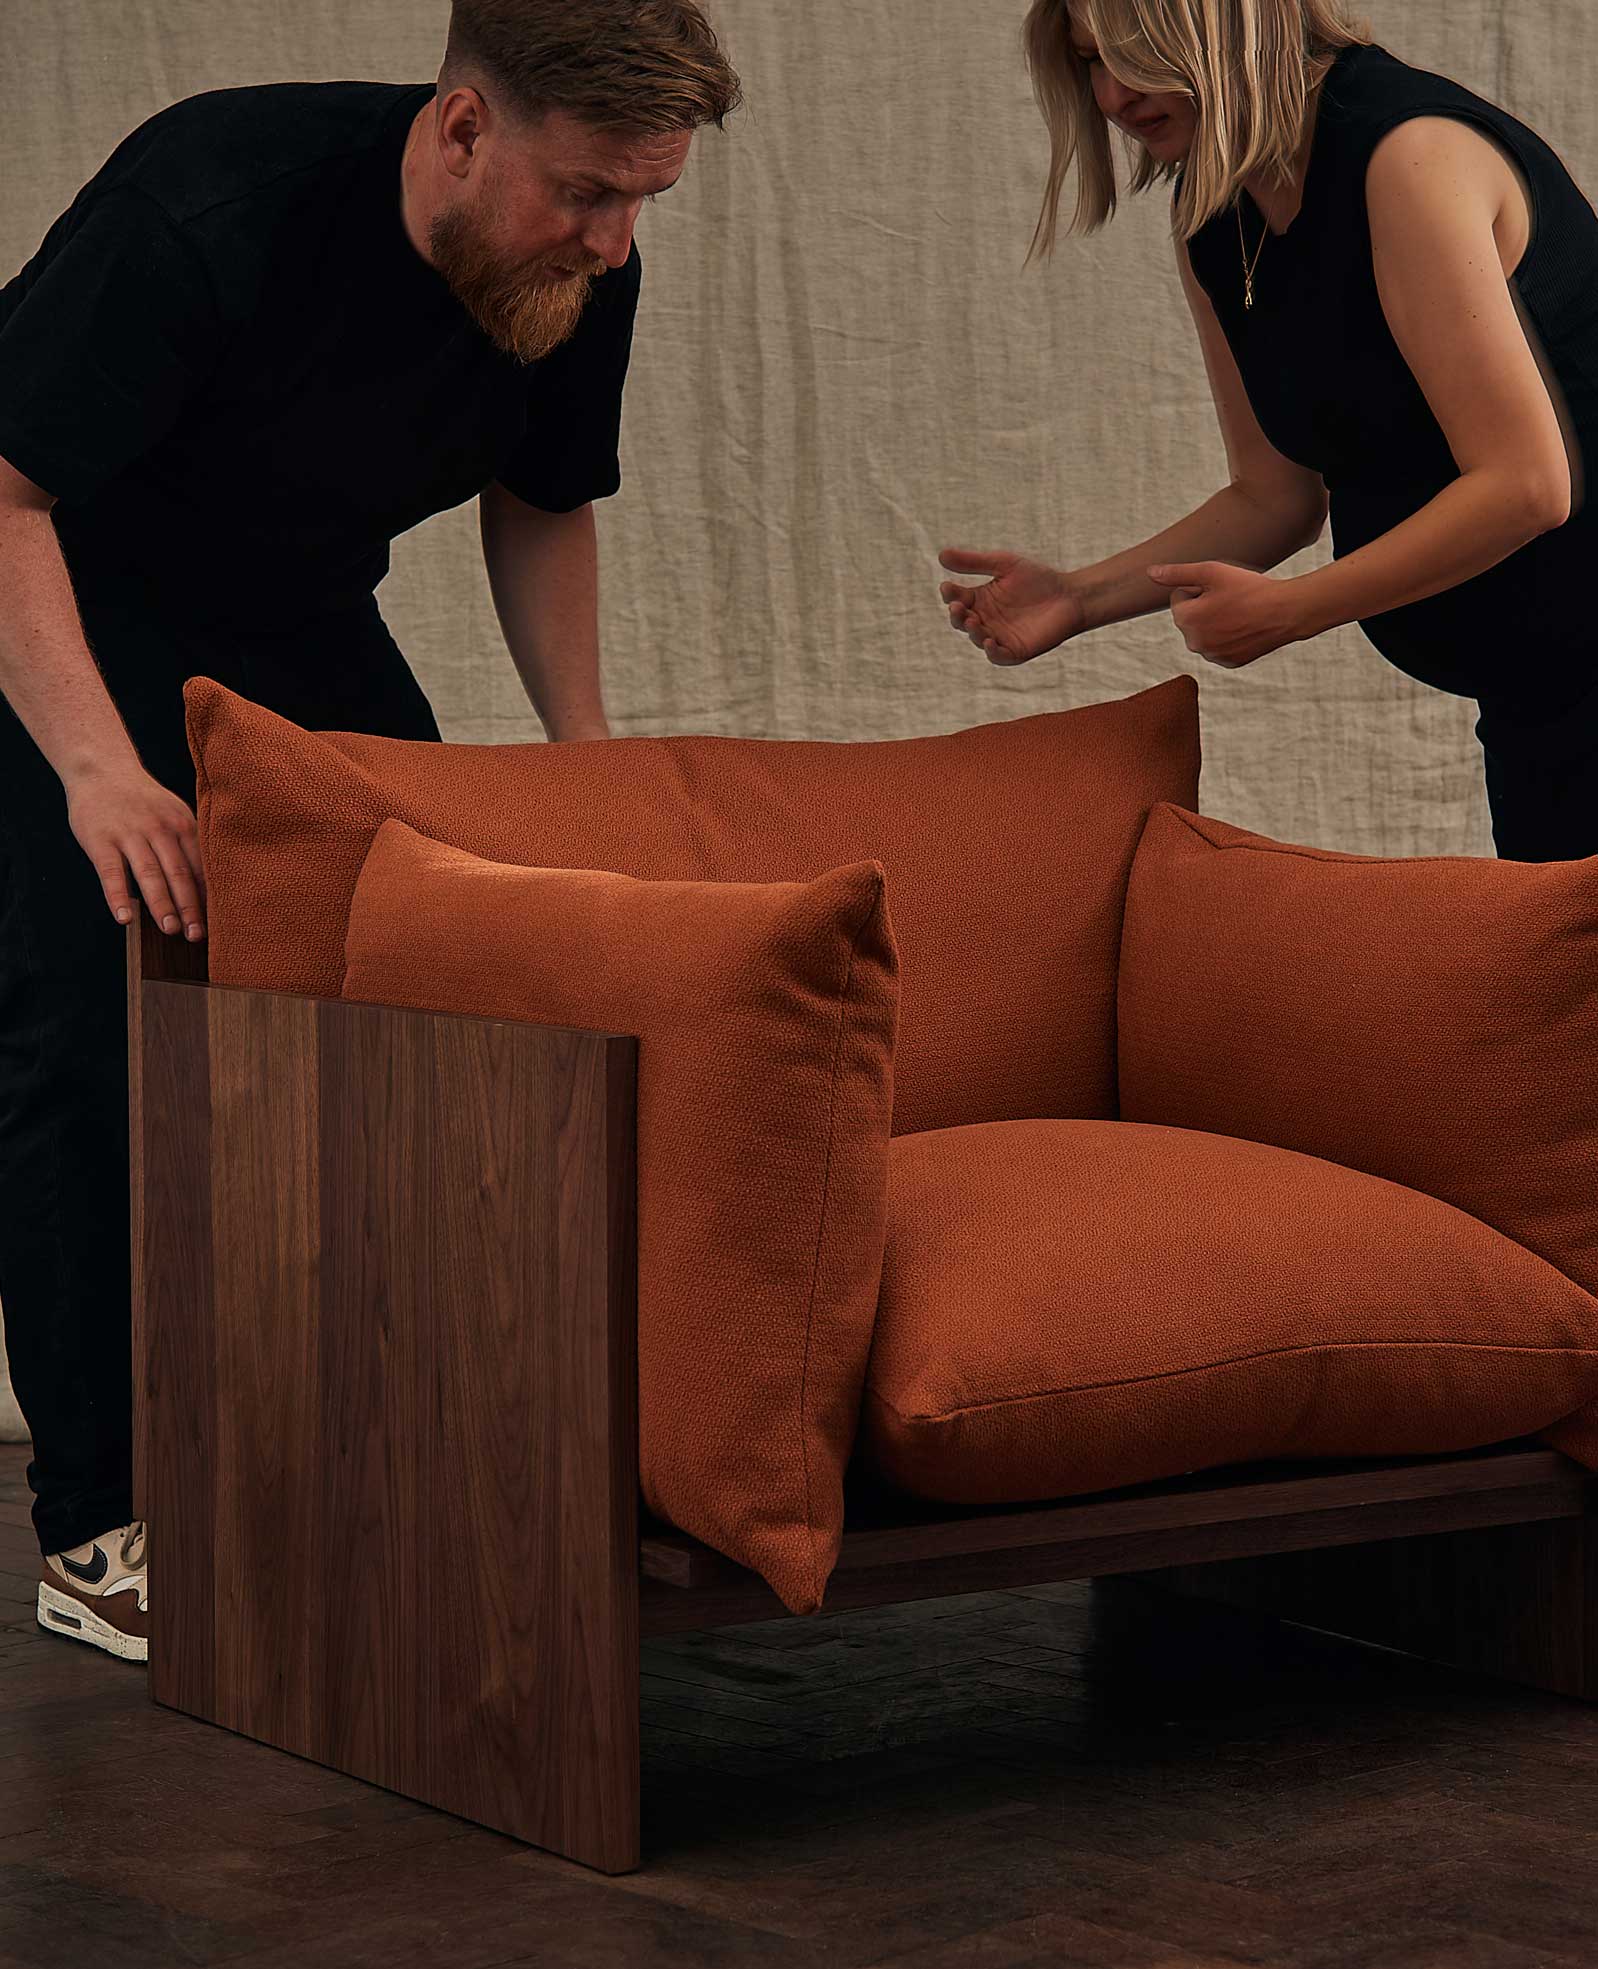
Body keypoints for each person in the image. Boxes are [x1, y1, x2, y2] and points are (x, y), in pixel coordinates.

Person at [0, 0, 742, 1661]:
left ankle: (372, 1441)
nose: (615, 240)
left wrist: (587, 760)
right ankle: (100, 1522)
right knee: (91, 1017)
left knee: (445, 957)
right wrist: (101, 773)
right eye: (586, 193)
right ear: (463, 127)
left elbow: (543, 500)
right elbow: (5, 492)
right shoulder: (216, 196)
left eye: (645, 202)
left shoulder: (576, 266)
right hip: (61, 602)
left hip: (291, 608)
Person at [937, 0, 1598, 864]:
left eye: (1142, 52)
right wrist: (1081, 598)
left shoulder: (1407, 157)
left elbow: (1527, 484)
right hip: (1538, 698)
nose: (1116, 92)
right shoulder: (1213, 218)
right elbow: (1275, 494)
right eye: (1094, 61)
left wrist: (1292, 611)